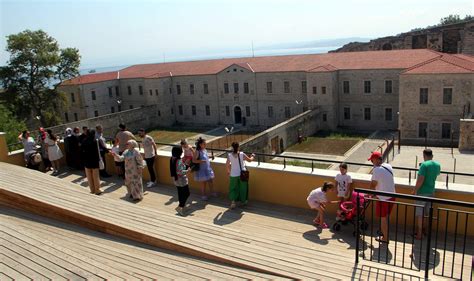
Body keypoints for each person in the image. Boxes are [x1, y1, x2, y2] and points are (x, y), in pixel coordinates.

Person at [413, 149, 440, 240]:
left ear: (424, 155)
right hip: (431, 191)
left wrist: (415, 190)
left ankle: (419, 234)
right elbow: (435, 176)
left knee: (420, 214)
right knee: (428, 214)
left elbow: (421, 179)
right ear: (432, 155)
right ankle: (425, 231)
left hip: (422, 192)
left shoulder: (424, 165)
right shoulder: (437, 165)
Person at [368, 151, 396, 244]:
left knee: (383, 218)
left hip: (383, 198)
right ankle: (385, 232)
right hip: (392, 196)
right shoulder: (388, 166)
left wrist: (370, 194)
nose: (372, 163)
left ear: (376, 160)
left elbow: (373, 184)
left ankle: (385, 238)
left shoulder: (377, 170)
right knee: (386, 216)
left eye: (372, 161)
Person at [226, 142, 255, 209]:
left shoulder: (229, 155)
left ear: (232, 147)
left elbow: (227, 164)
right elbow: (250, 160)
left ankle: (233, 202)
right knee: (243, 188)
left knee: (233, 188)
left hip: (233, 174)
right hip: (242, 174)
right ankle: (243, 201)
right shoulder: (242, 154)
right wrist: (253, 156)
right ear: (238, 147)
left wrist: (228, 171)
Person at [80, 129, 103, 195]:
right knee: (95, 176)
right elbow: (100, 149)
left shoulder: (84, 141)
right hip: (94, 161)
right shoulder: (95, 141)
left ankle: (92, 189)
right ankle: (97, 190)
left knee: (89, 176)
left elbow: (81, 151)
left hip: (86, 161)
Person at [170, 146, 190, 216]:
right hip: (181, 180)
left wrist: (185, 165)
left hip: (176, 179)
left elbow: (176, 169)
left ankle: (183, 206)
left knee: (180, 193)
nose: (182, 152)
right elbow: (180, 171)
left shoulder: (172, 158)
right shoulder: (178, 160)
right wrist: (187, 170)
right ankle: (180, 207)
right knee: (187, 193)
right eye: (181, 151)